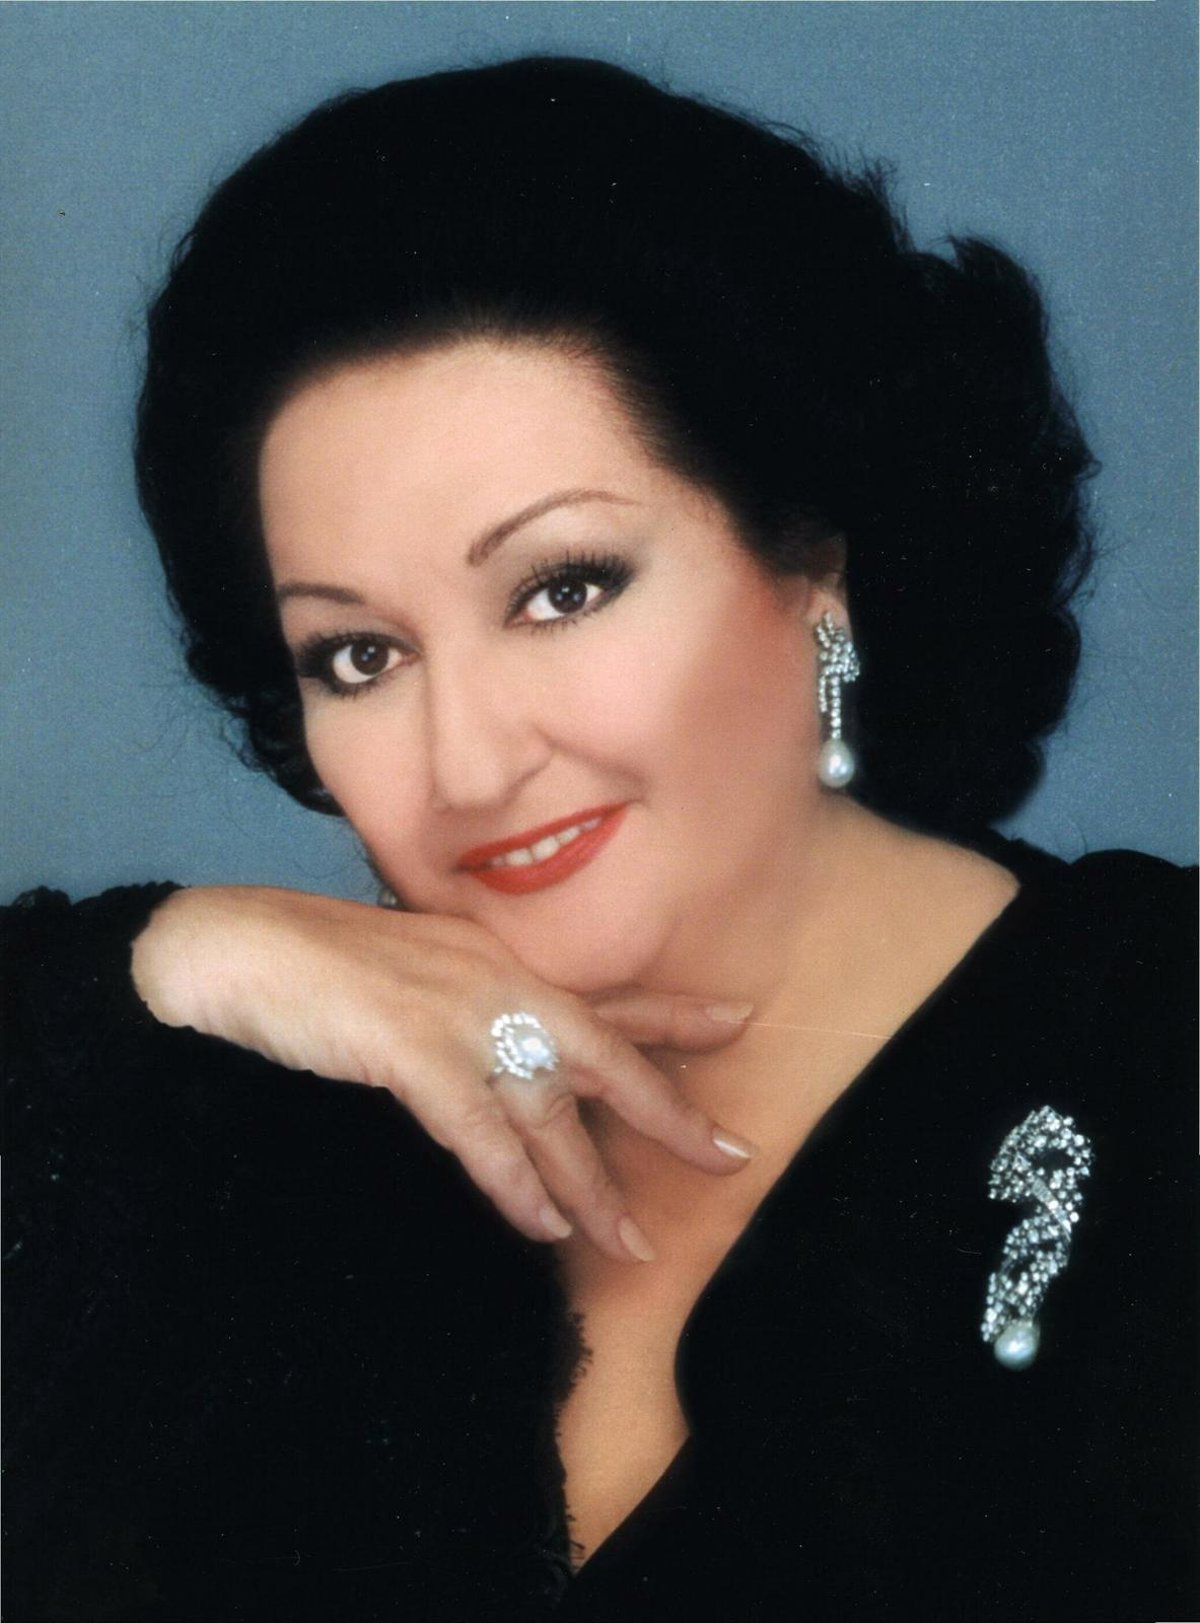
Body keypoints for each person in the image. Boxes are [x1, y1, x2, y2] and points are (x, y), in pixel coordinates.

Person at [2, 55, 1194, 1623]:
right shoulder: (248, 1139)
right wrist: (186, 954)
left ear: (814, 569)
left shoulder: (1155, 1052)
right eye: (359, 655)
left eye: (562, 589)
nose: (469, 763)